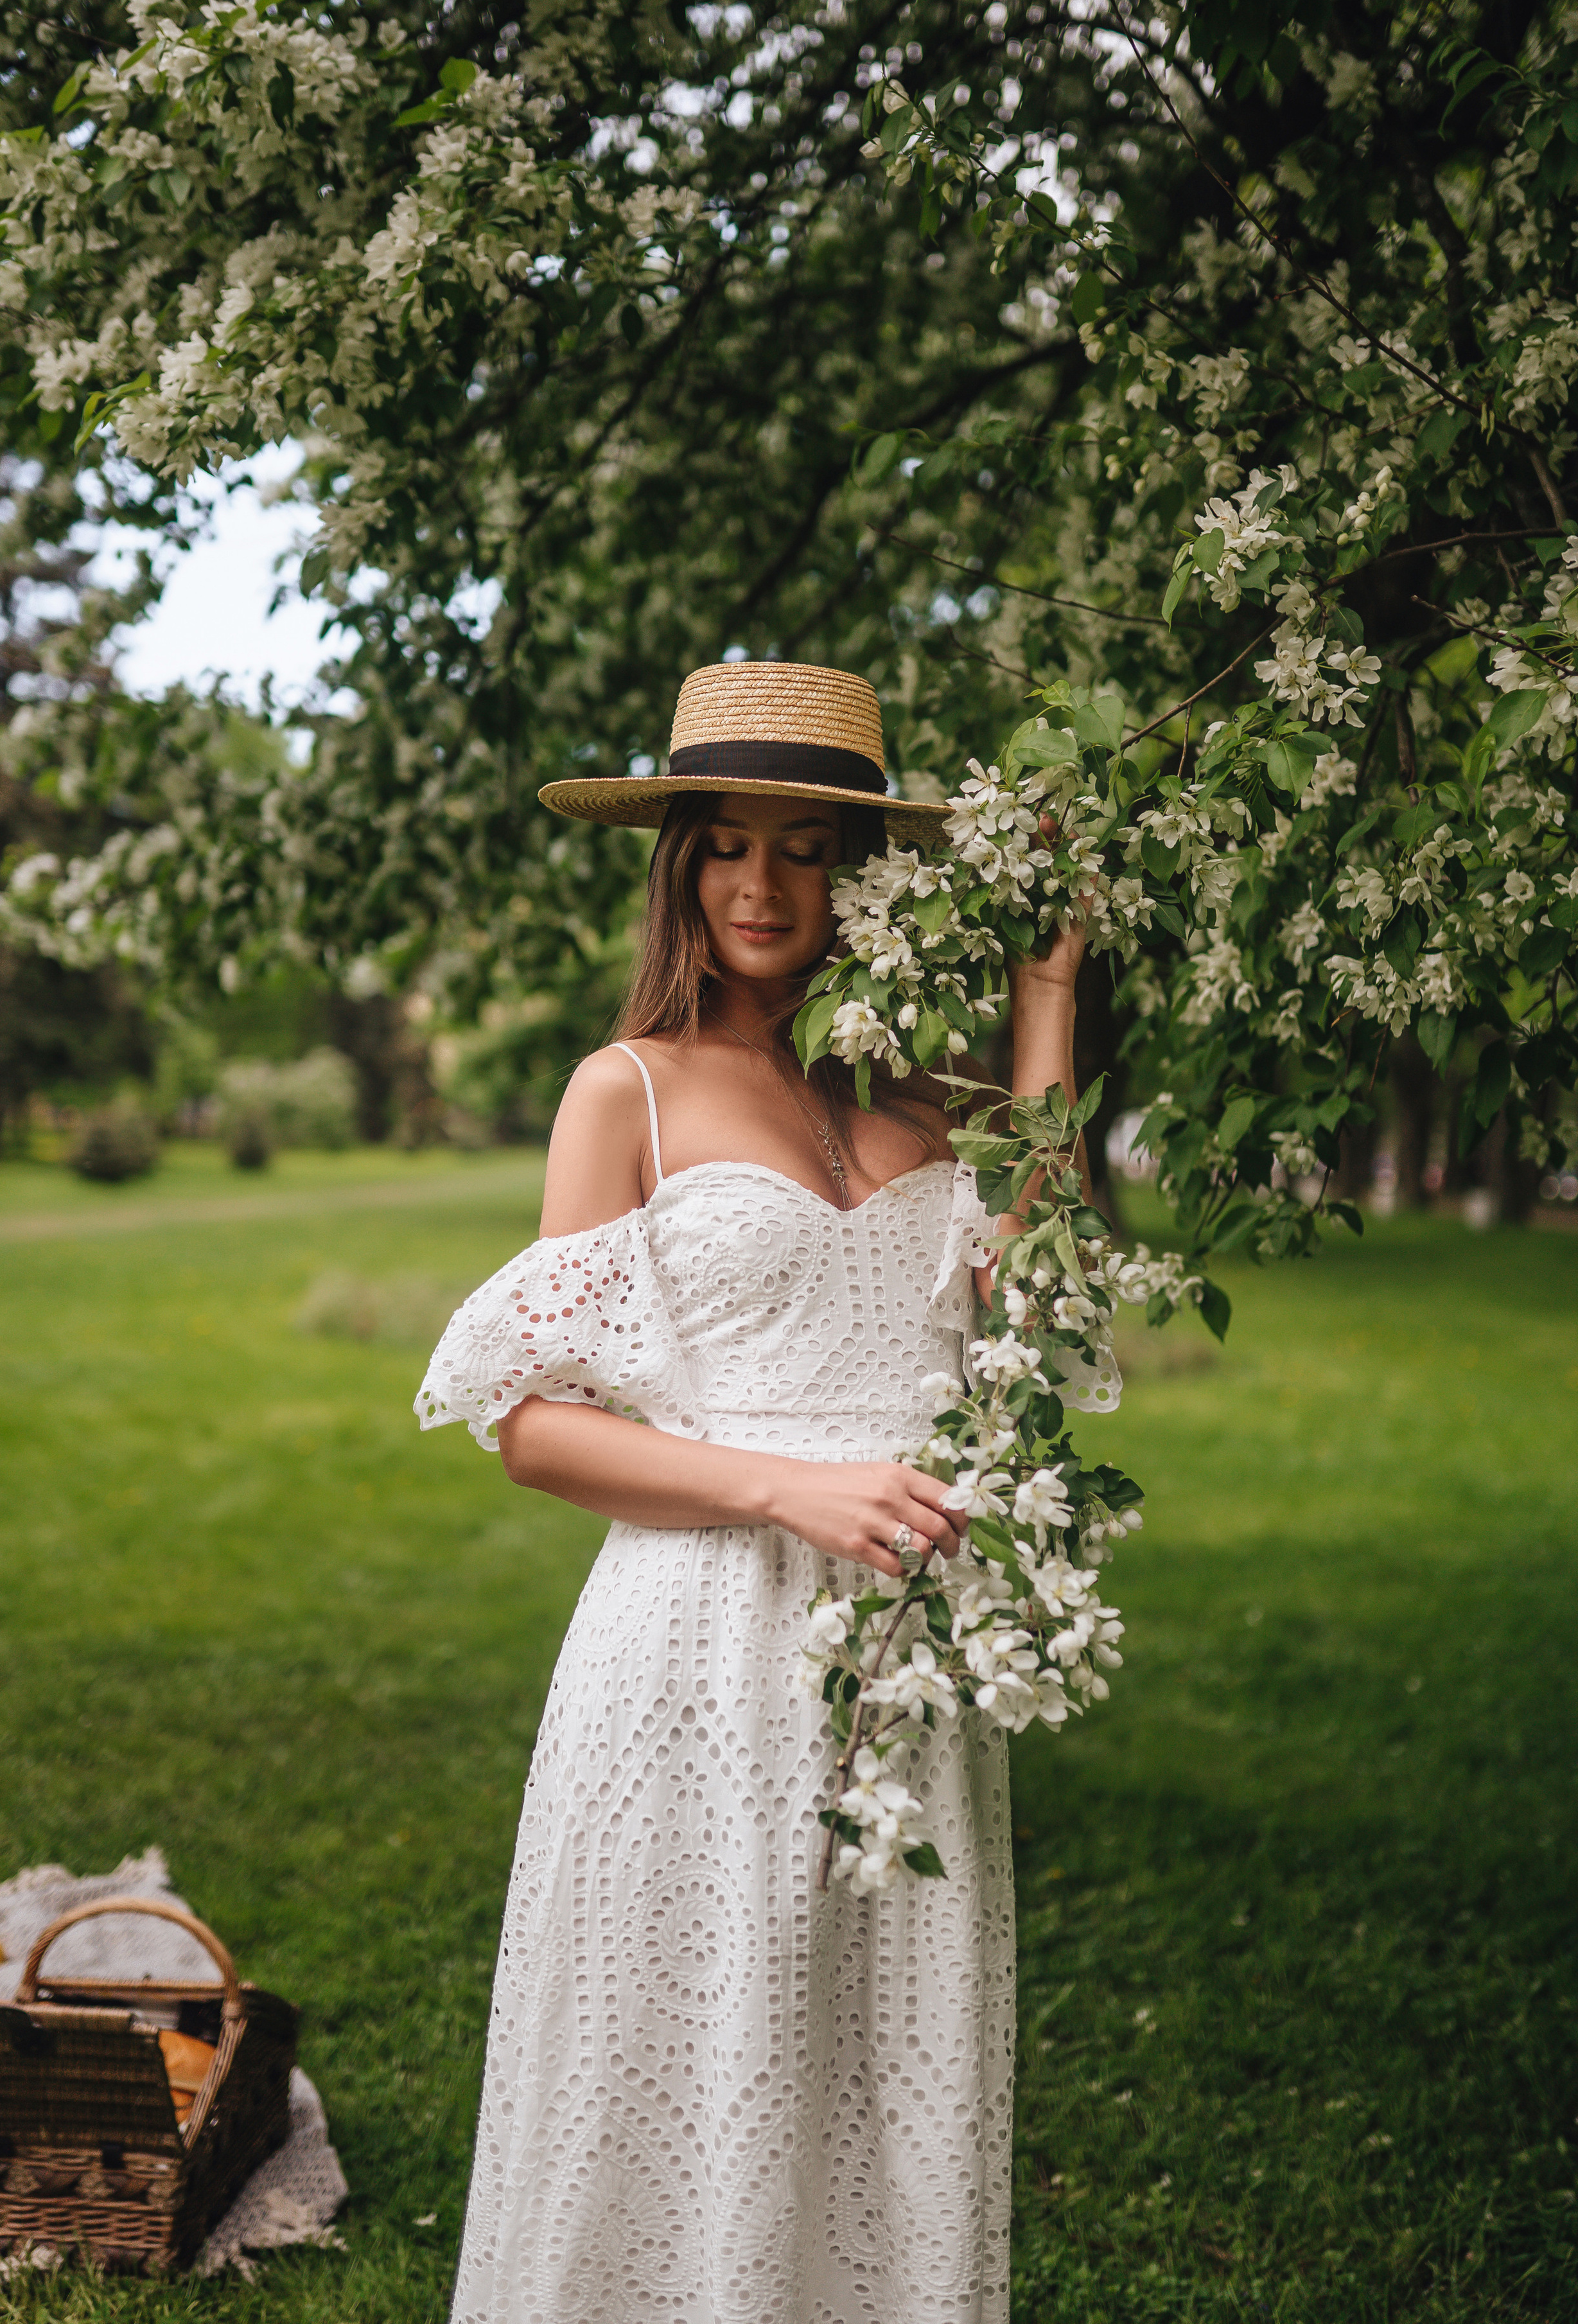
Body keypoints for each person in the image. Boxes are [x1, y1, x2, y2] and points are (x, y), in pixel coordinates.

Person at [416, 661, 1087, 2324]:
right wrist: (794, 1492)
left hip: (902, 1663)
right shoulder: (623, 1088)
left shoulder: (924, 1101)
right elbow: (536, 1429)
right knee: (685, 2050)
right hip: (696, 1640)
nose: (761, 884)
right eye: (724, 843)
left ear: (863, 878)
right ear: (681, 869)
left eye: (805, 846)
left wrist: (1048, 996)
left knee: (875, 2058)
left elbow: (1045, 1296)